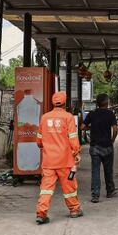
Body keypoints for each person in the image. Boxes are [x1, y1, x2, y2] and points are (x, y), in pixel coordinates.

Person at [34, 91, 82, 225]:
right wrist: (76, 152)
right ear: (65, 103)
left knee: (46, 189)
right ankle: (74, 210)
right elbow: (73, 138)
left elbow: (39, 141)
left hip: (49, 161)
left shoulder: (44, 118)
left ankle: (41, 214)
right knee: (69, 187)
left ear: (52, 102)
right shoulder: (68, 117)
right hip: (65, 160)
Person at [84, 93, 118, 203]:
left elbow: (82, 127)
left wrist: (91, 127)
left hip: (95, 147)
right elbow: (115, 129)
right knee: (108, 170)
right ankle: (110, 191)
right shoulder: (110, 114)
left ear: (97, 103)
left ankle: (95, 195)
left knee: (95, 171)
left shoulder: (92, 114)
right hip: (107, 146)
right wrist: (112, 140)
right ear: (107, 103)